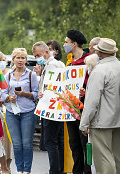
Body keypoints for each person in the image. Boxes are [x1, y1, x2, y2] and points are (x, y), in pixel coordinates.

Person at [79, 38, 120, 174]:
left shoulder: (99, 70)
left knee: (104, 159)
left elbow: (92, 100)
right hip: (118, 120)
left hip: (102, 122)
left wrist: (84, 123)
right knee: (117, 158)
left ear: (100, 53)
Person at [1, 48, 39, 174]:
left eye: (23, 58)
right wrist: (8, 98)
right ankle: (19, 169)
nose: (20, 60)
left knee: (27, 143)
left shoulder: (30, 74)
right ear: (13, 60)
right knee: (16, 144)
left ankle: (26, 170)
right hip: (12, 112)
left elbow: (36, 94)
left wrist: (24, 93)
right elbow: (3, 93)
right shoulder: (8, 75)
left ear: (26, 60)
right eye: (18, 57)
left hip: (28, 112)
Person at [32, 41, 65, 174]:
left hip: (51, 108)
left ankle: (55, 170)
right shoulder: (55, 64)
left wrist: (44, 93)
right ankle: (59, 169)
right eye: (34, 56)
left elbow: (53, 87)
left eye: (38, 55)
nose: (37, 58)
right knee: (57, 141)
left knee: (51, 142)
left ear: (46, 52)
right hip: (56, 107)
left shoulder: (52, 65)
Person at [63, 30, 91, 174]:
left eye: (66, 42)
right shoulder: (70, 64)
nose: (64, 45)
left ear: (74, 44)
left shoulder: (90, 60)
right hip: (71, 110)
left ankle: (88, 171)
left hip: (85, 109)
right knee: (74, 145)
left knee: (85, 144)